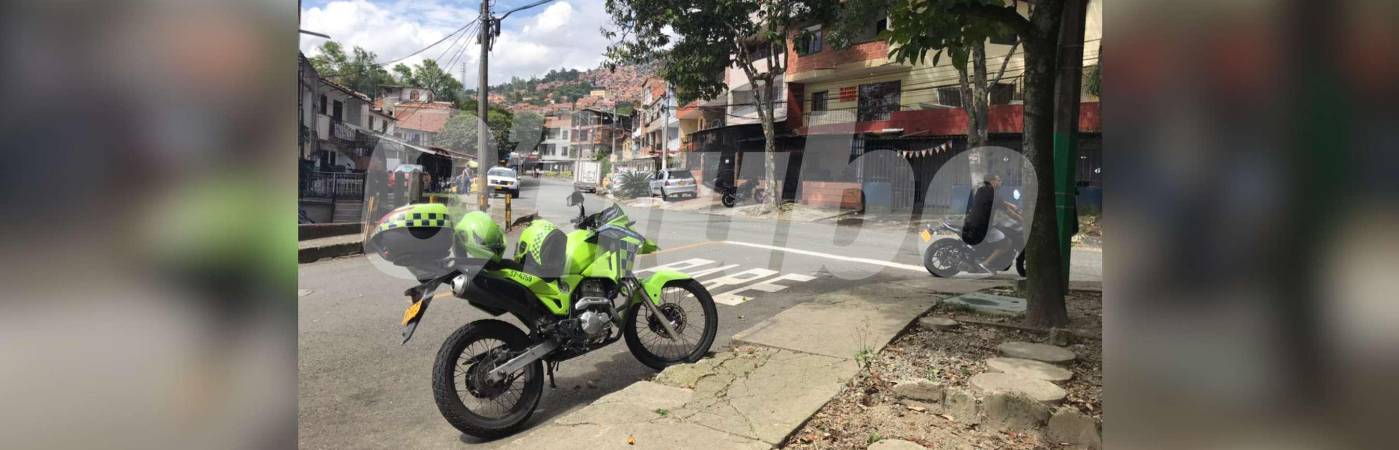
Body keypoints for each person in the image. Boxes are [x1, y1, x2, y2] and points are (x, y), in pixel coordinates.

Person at [962, 174, 1023, 271]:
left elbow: (1000, 203)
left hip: (970, 222)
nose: (1000, 182)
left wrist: (1011, 205)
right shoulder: (994, 194)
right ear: (992, 181)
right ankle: (986, 264)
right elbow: (1008, 212)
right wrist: (1021, 219)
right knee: (1006, 243)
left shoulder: (981, 190)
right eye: (998, 180)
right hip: (982, 227)